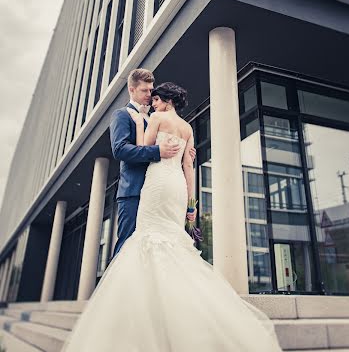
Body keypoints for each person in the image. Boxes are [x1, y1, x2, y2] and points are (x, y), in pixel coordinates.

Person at [62, 82, 282, 352]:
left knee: (146, 237)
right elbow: (189, 166)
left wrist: (140, 123)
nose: (153, 104)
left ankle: (145, 311)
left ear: (166, 101)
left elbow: (143, 149)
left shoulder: (155, 117)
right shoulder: (188, 128)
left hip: (157, 183)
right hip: (177, 187)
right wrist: (191, 204)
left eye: (156, 100)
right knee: (173, 241)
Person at [110, 68, 196, 256]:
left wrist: (183, 153)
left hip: (160, 191)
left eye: (151, 90)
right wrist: (158, 151)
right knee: (127, 249)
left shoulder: (156, 116)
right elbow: (120, 149)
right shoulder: (122, 115)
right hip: (134, 192)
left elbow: (184, 160)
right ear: (132, 90)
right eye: (145, 91)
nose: (150, 95)